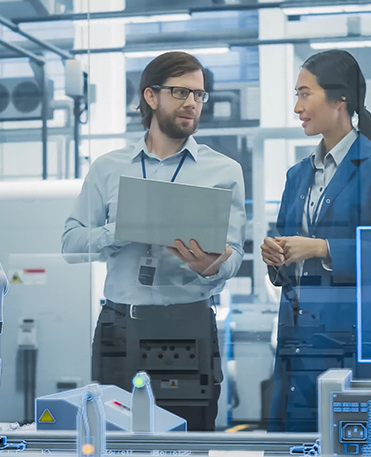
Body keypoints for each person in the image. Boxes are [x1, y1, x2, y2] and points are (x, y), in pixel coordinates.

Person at [61, 51, 245, 431]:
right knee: (115, 439)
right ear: (151, 96)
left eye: (199, 95)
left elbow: (234, 254)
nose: (192, 103)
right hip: (121, 327)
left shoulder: (224, 171)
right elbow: (71, 244)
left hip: (189, 325)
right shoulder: (108, 168)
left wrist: (210, 266)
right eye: (181, 92)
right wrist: (122, 229)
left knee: (189, 439)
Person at [261, 49, 371, 432]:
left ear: (340, 98)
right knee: (294, 437)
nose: (297, 107)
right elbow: (285, 249)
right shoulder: (297, 175)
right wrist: (275, 255)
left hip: (352, 337)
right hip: (298, 335)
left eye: (305, 94)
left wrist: (322, 249)